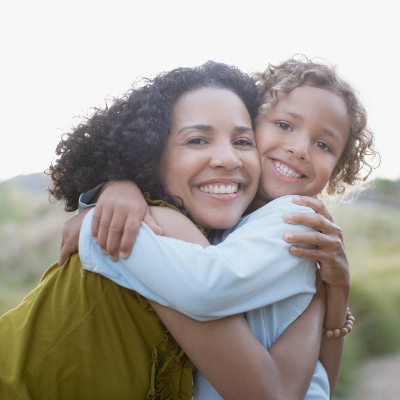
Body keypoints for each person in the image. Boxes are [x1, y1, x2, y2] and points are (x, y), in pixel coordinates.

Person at [0, 61, 334, 400]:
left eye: (243, 141)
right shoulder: (160, 229)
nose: (227, 158)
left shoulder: (221, 241)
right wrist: (319, 291)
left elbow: (317, 386)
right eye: (198, 140)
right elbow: (270, 393)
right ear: (149, 154)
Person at [68, 59, 377, 399]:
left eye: (324, 145)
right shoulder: (226, 225)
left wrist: (94, 234)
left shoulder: (295, 218)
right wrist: (116, 189)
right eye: (285, 125)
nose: (300, 149)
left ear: (338, 169)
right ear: (252, 124)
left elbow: (208, 286)